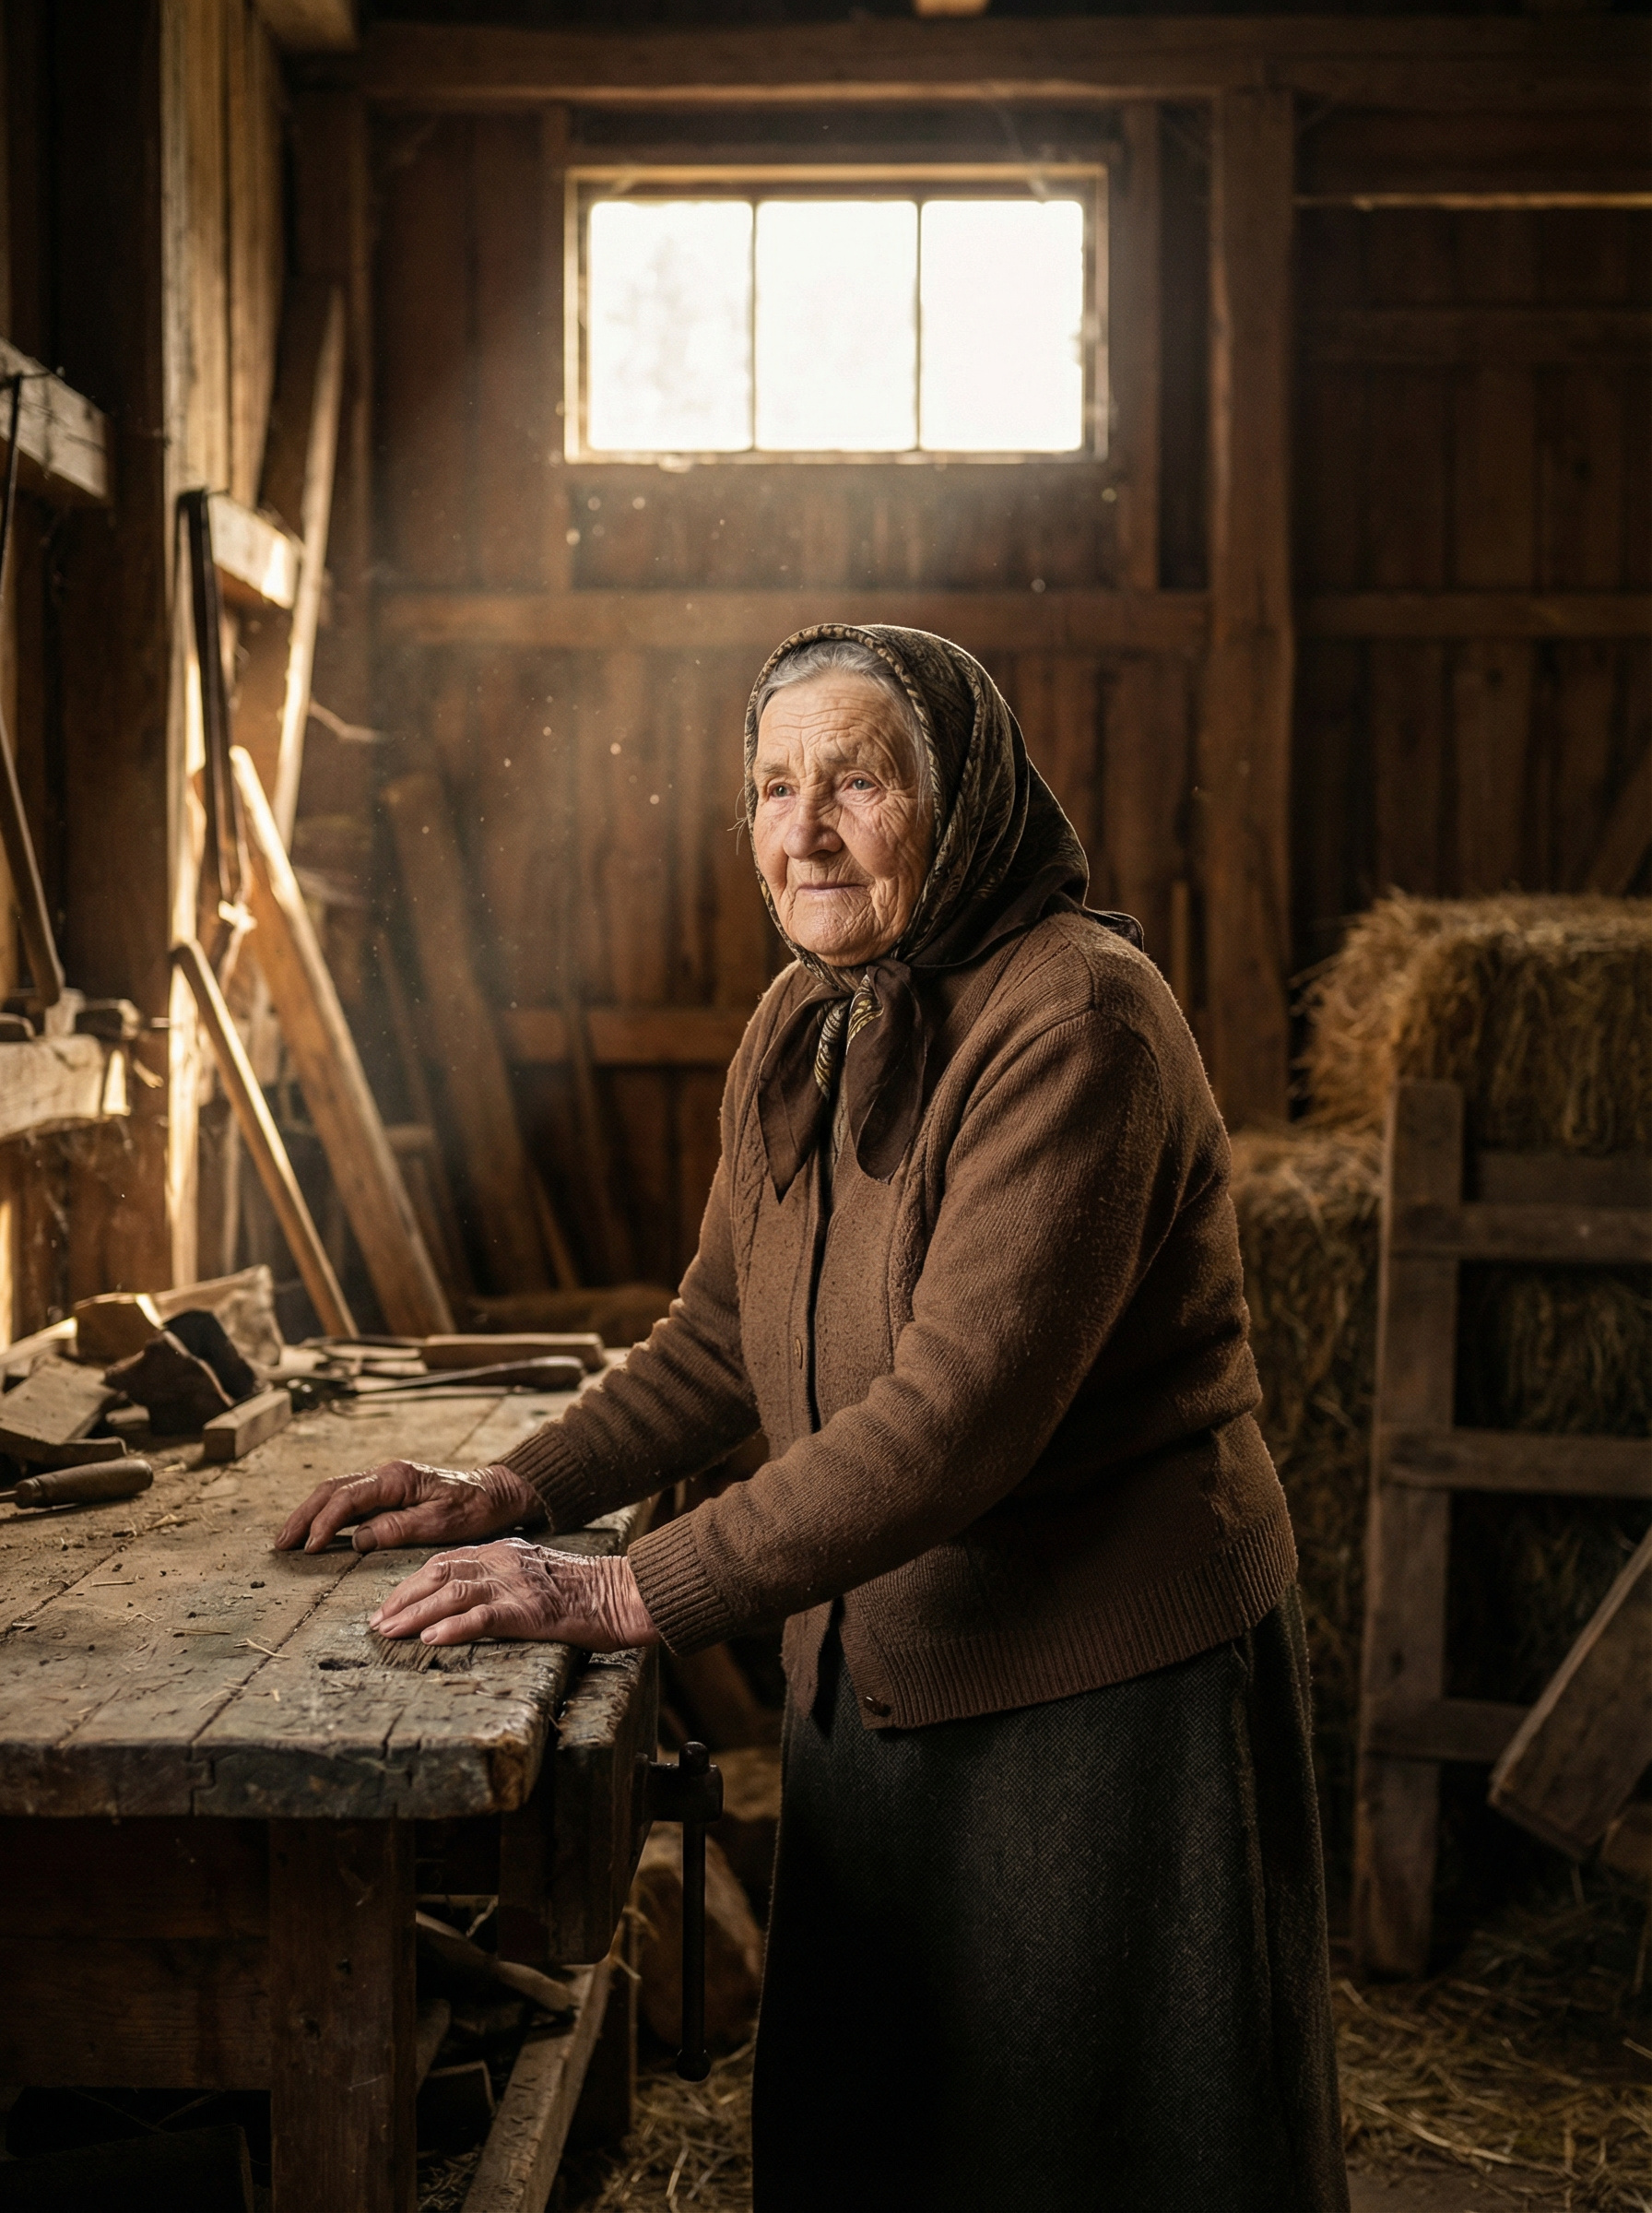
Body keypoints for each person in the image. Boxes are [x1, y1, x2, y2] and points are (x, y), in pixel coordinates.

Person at [277, 625, 1349, 2213]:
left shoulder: (1078, 1021)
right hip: (885, 1664)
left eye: (858, 779)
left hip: (1096, 1701)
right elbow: (718, 1337)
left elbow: (952, 1421)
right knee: (898, 2134)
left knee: (1094, 2147)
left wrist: (623, 1586)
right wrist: (511, 1489)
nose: (803, 826)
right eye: (774, 785)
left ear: (962, 799)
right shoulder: (811, 1013)